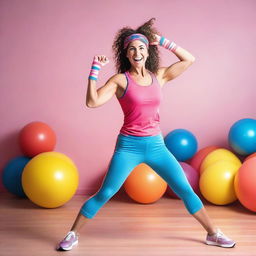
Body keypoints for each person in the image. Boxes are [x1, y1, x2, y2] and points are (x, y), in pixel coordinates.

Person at [57, 18, 236, 251]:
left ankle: (213, 233)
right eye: (132, 48)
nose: (137, 51)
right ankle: (72, 234)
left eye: (141, 47)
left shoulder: (159, 76)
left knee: (184, 189)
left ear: (147, 51)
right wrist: (94, 70)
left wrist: (161, 41)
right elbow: (92, 102)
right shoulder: (121, 80)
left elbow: (189, 59)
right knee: (106, 192)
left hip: (156, 146)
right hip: (128, 146)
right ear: (127, 55)